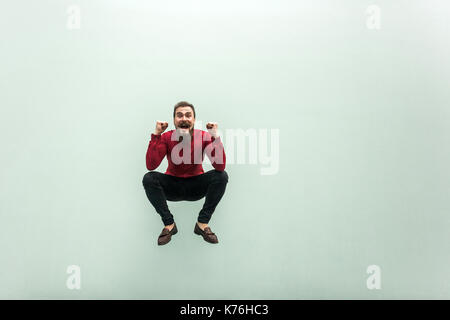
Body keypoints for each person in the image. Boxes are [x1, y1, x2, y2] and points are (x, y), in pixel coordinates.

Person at [142, 101, 229, 245]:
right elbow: (151, 165)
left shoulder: (203, 136)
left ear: (194, 120)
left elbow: (219, 166)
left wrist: (214, 137)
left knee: (221, 176)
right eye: (179, 115)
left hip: (196, 187)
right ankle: (169, 225)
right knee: (149, 178)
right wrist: (157, 134)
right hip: (172, 187)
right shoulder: (167, 137)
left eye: (188, 115)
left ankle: (202, 224)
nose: (184, 119)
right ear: (174, 120)